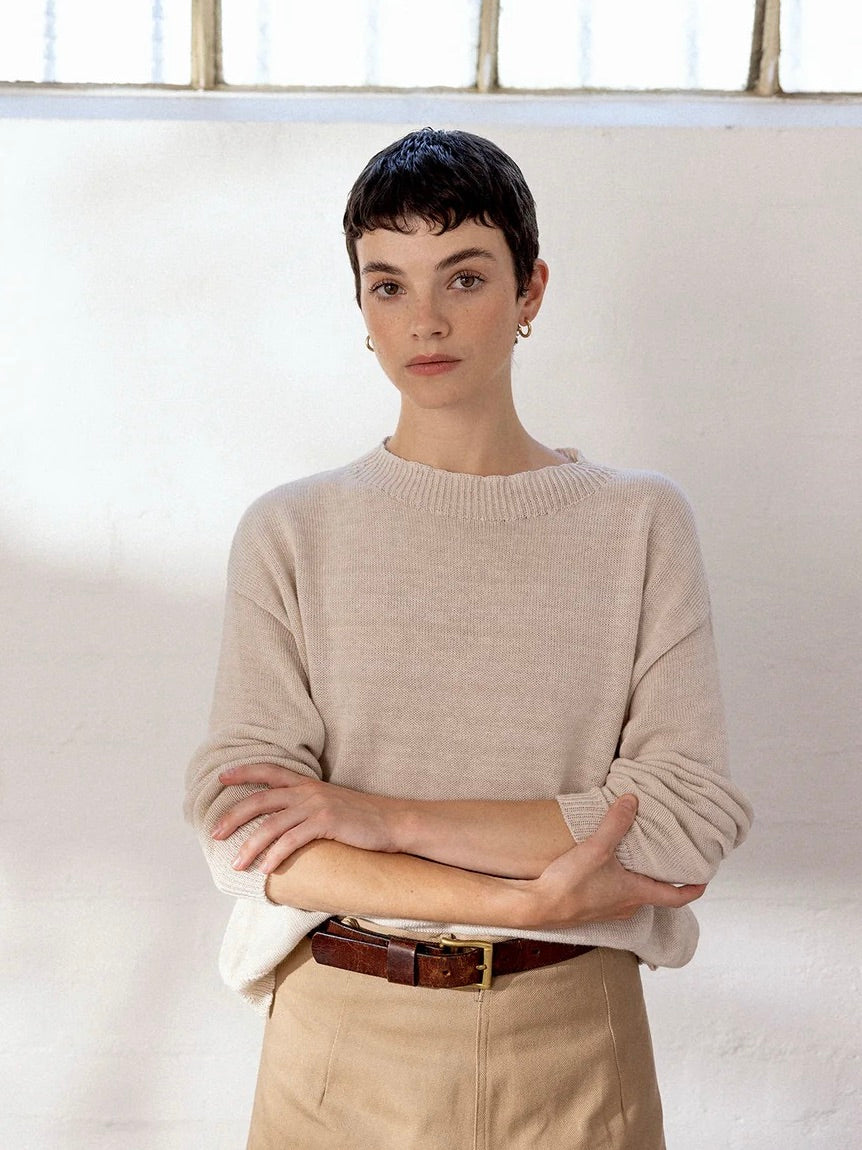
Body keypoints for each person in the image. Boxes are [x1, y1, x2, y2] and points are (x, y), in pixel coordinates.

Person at [185, 127, 753, 1150]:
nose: (426, 319)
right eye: (387, 285)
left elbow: (681, 817)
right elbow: (247, 828)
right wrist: (542, 892)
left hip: (574, 1038)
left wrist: (375, 818)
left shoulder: (636, 522)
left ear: (530, 290)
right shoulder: (292, 530)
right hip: (337, 1044)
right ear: (360, 310)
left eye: (464, 275)